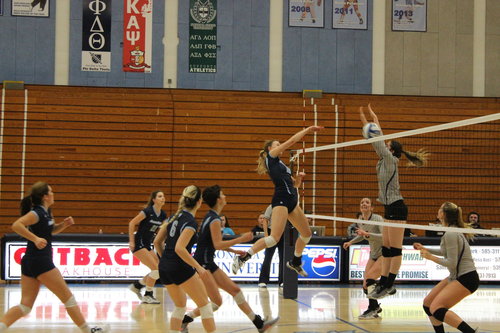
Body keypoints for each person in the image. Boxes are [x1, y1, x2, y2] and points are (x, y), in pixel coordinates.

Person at [0, 182, 107, 333]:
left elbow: (50, 232)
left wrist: (63, 225)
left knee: (25, 306)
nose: (53, 194)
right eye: (51, 191)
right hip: (41, 261)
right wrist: (35, 239)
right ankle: (88, 330)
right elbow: (16, 225)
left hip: (30, 261)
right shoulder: (36, 213)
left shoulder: (46, 212)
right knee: (68, 298)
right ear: (45, 196)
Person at [181, 185, 279, 333]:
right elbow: (218, 244)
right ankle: (185, 320)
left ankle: (259, 324)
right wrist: (242, 238)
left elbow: (210, 242)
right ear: (219, 199)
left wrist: (233, 250)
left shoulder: (210, 216)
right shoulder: (213, 219)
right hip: (204, 264)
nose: (225, 196)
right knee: (222, 298)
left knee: (230, 294)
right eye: (223, 194)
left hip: (206, 262)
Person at [232, 125, 323, 277]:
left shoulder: (282, 165)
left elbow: (294, 185)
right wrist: (307, 130)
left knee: (306, 234)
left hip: (292, 200)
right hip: (281, 199)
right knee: (274, 238)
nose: (280, 146)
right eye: (277, 144)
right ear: (269, 149)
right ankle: (244, 257)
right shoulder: (271, 158)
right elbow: (292, 141)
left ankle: (295, 261)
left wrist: (299, 179)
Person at [359, 103, 429, 299]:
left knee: (395, 248)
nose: (384, 145)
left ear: (391, 151)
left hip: (398, 207)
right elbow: (373, 139)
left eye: (387, 145)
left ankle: (389, 284)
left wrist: (374, 119)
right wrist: (366, 119)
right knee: (387, 248)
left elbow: (377, 137)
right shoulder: (383, 159)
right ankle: (383, 283)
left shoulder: (390, 160)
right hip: (389, 207)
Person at [153, 185, 216, 333]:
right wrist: (199, 268)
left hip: (164, 267)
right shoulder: (190, 222)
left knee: (180, 306)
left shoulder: (172, 217)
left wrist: (167, 261)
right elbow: (179, 248)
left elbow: (157, 242)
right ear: (199, 201)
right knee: (205, 306)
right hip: (179, 266)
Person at [414, 202, 479, 333]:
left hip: (467, 278)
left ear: (443, 214)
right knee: (428, 305)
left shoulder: (451, 233)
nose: (437, 211)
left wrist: (429, 257)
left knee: (437, 309)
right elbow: (446, 252)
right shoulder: (451, 230)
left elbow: (451, 263)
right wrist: (426, 249)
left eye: (440, 209)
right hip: (458, 276)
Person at [343, 198, 385, 319]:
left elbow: (384, 237)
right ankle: (375, 306)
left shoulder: (378, 219)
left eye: (367, 202)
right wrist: (351, 242)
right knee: (365, 284)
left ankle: (372, 308)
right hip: (374, 254)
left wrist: (367, 234)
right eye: (362, 202)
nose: (364, 204)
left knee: (370, 279)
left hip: (385, 253)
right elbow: (362, 235)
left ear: (372, 208)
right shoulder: (360, 219)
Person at [128, 191, 167, 304]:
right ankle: (148, 295)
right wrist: (131, 241)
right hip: (138, 243)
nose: (162, 198)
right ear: (154, 199)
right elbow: (131, 223)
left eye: (163, 196)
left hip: (147, 244)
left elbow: (163, 231)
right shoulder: (147, 211)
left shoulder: (163, 215)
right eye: (160, 196)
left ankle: (137, 285)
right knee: (155, 269)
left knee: (158, 270)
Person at [258, 205, 284, 288]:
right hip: (271, 232)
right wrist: (266, 235)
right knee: (268, 257)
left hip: (283, 233)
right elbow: (265, 220)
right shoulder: (271, 206)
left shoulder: (287, 206)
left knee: (283, 258)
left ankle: (282, 281)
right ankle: (263, 280)